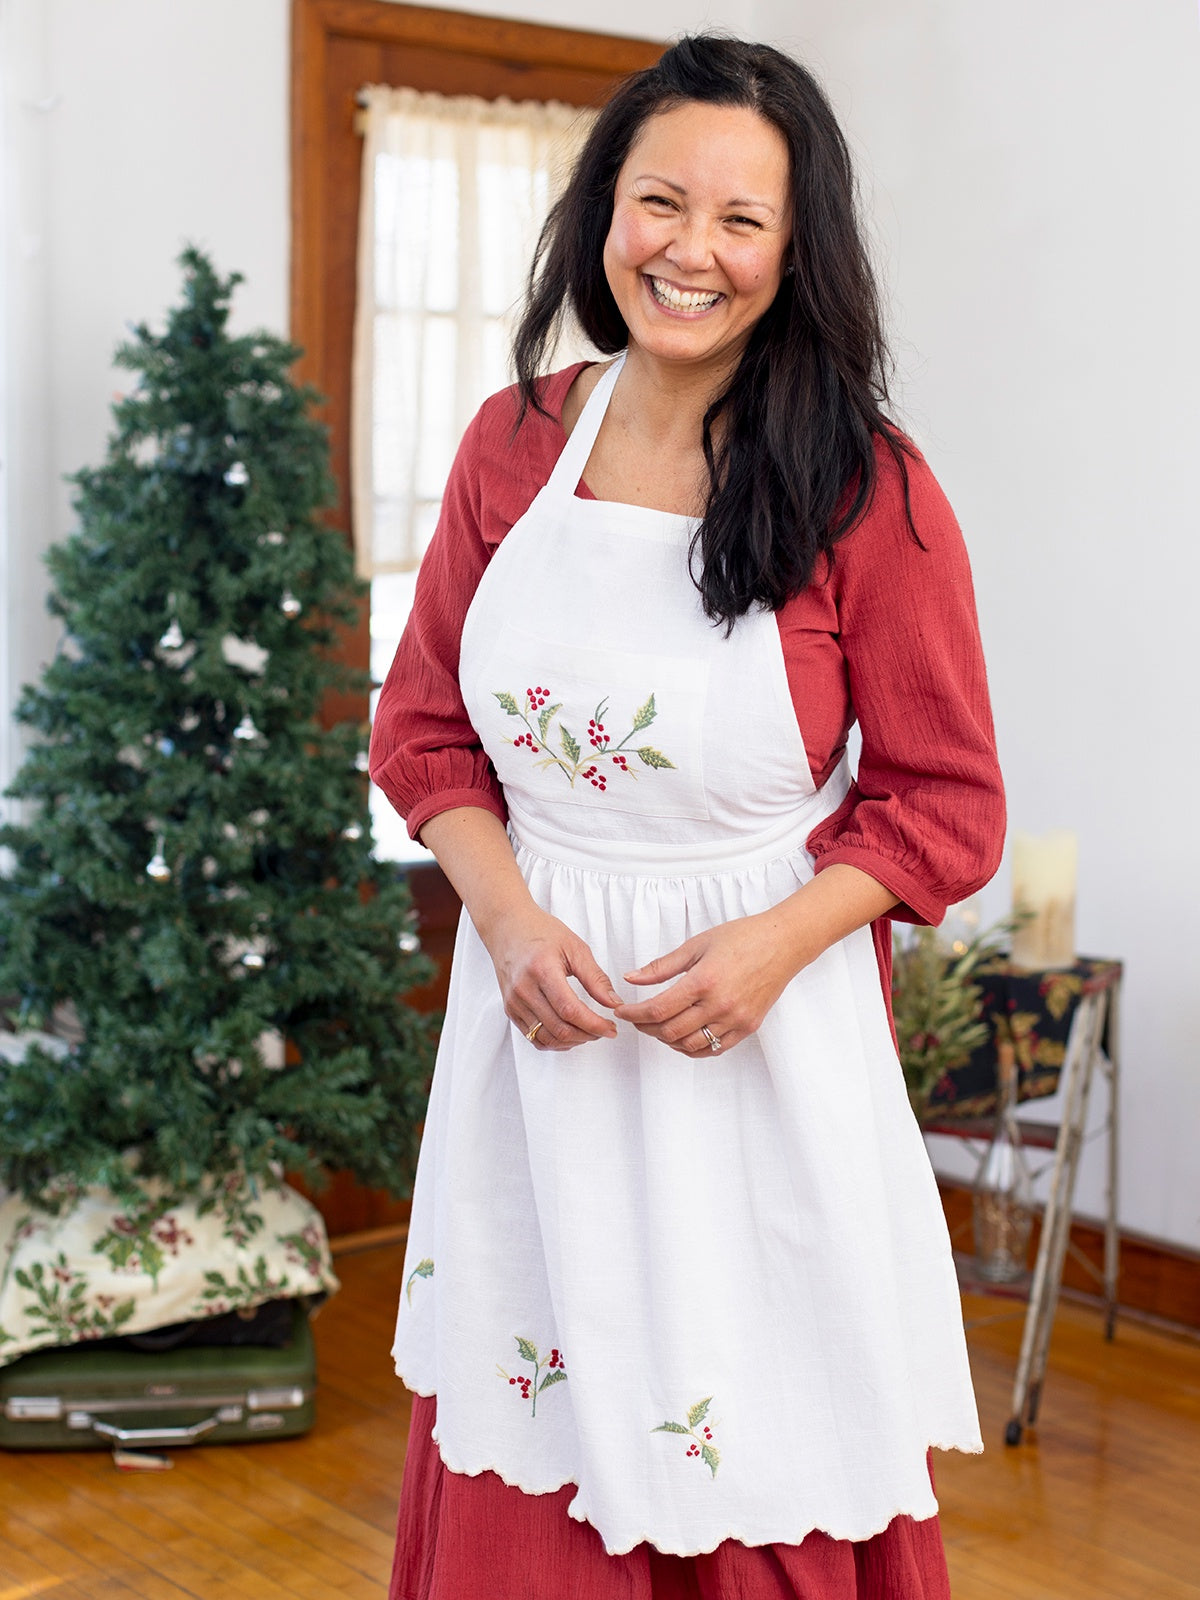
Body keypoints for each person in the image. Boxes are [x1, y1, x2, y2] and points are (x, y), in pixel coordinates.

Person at [370, 34, 1005, 1600]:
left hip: (759, 1055)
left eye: (742, 221)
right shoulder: (513, 442)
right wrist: (509, 920)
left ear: (796, 252)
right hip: (537, 1041)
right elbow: (425, 733)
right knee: (542, 1444)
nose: (692, 251)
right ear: (606, 214)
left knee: (760, 1457)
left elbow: (947, 803)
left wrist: (780, 944)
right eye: (661, 203)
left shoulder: (867, 486)